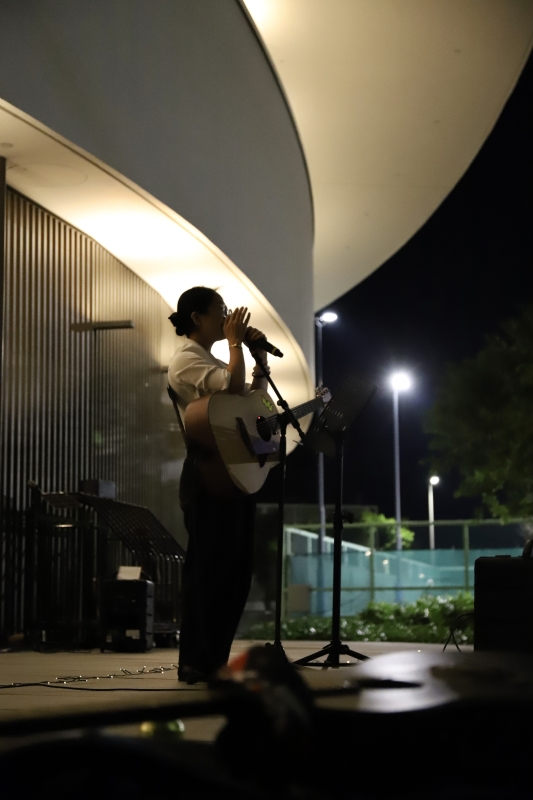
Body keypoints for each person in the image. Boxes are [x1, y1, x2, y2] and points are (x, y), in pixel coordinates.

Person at [167, 286, 270, 684]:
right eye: (221, 311)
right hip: (208, 477)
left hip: (232, 476)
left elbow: (253, 406)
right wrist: (234, 346)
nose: (230, 318)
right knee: (209, 573)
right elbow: (228, 388)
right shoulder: (185, 360)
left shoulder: (214, 358)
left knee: (236, 573)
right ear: (197, 317)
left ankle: (216, 661)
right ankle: (197, 663)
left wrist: (259, 363)